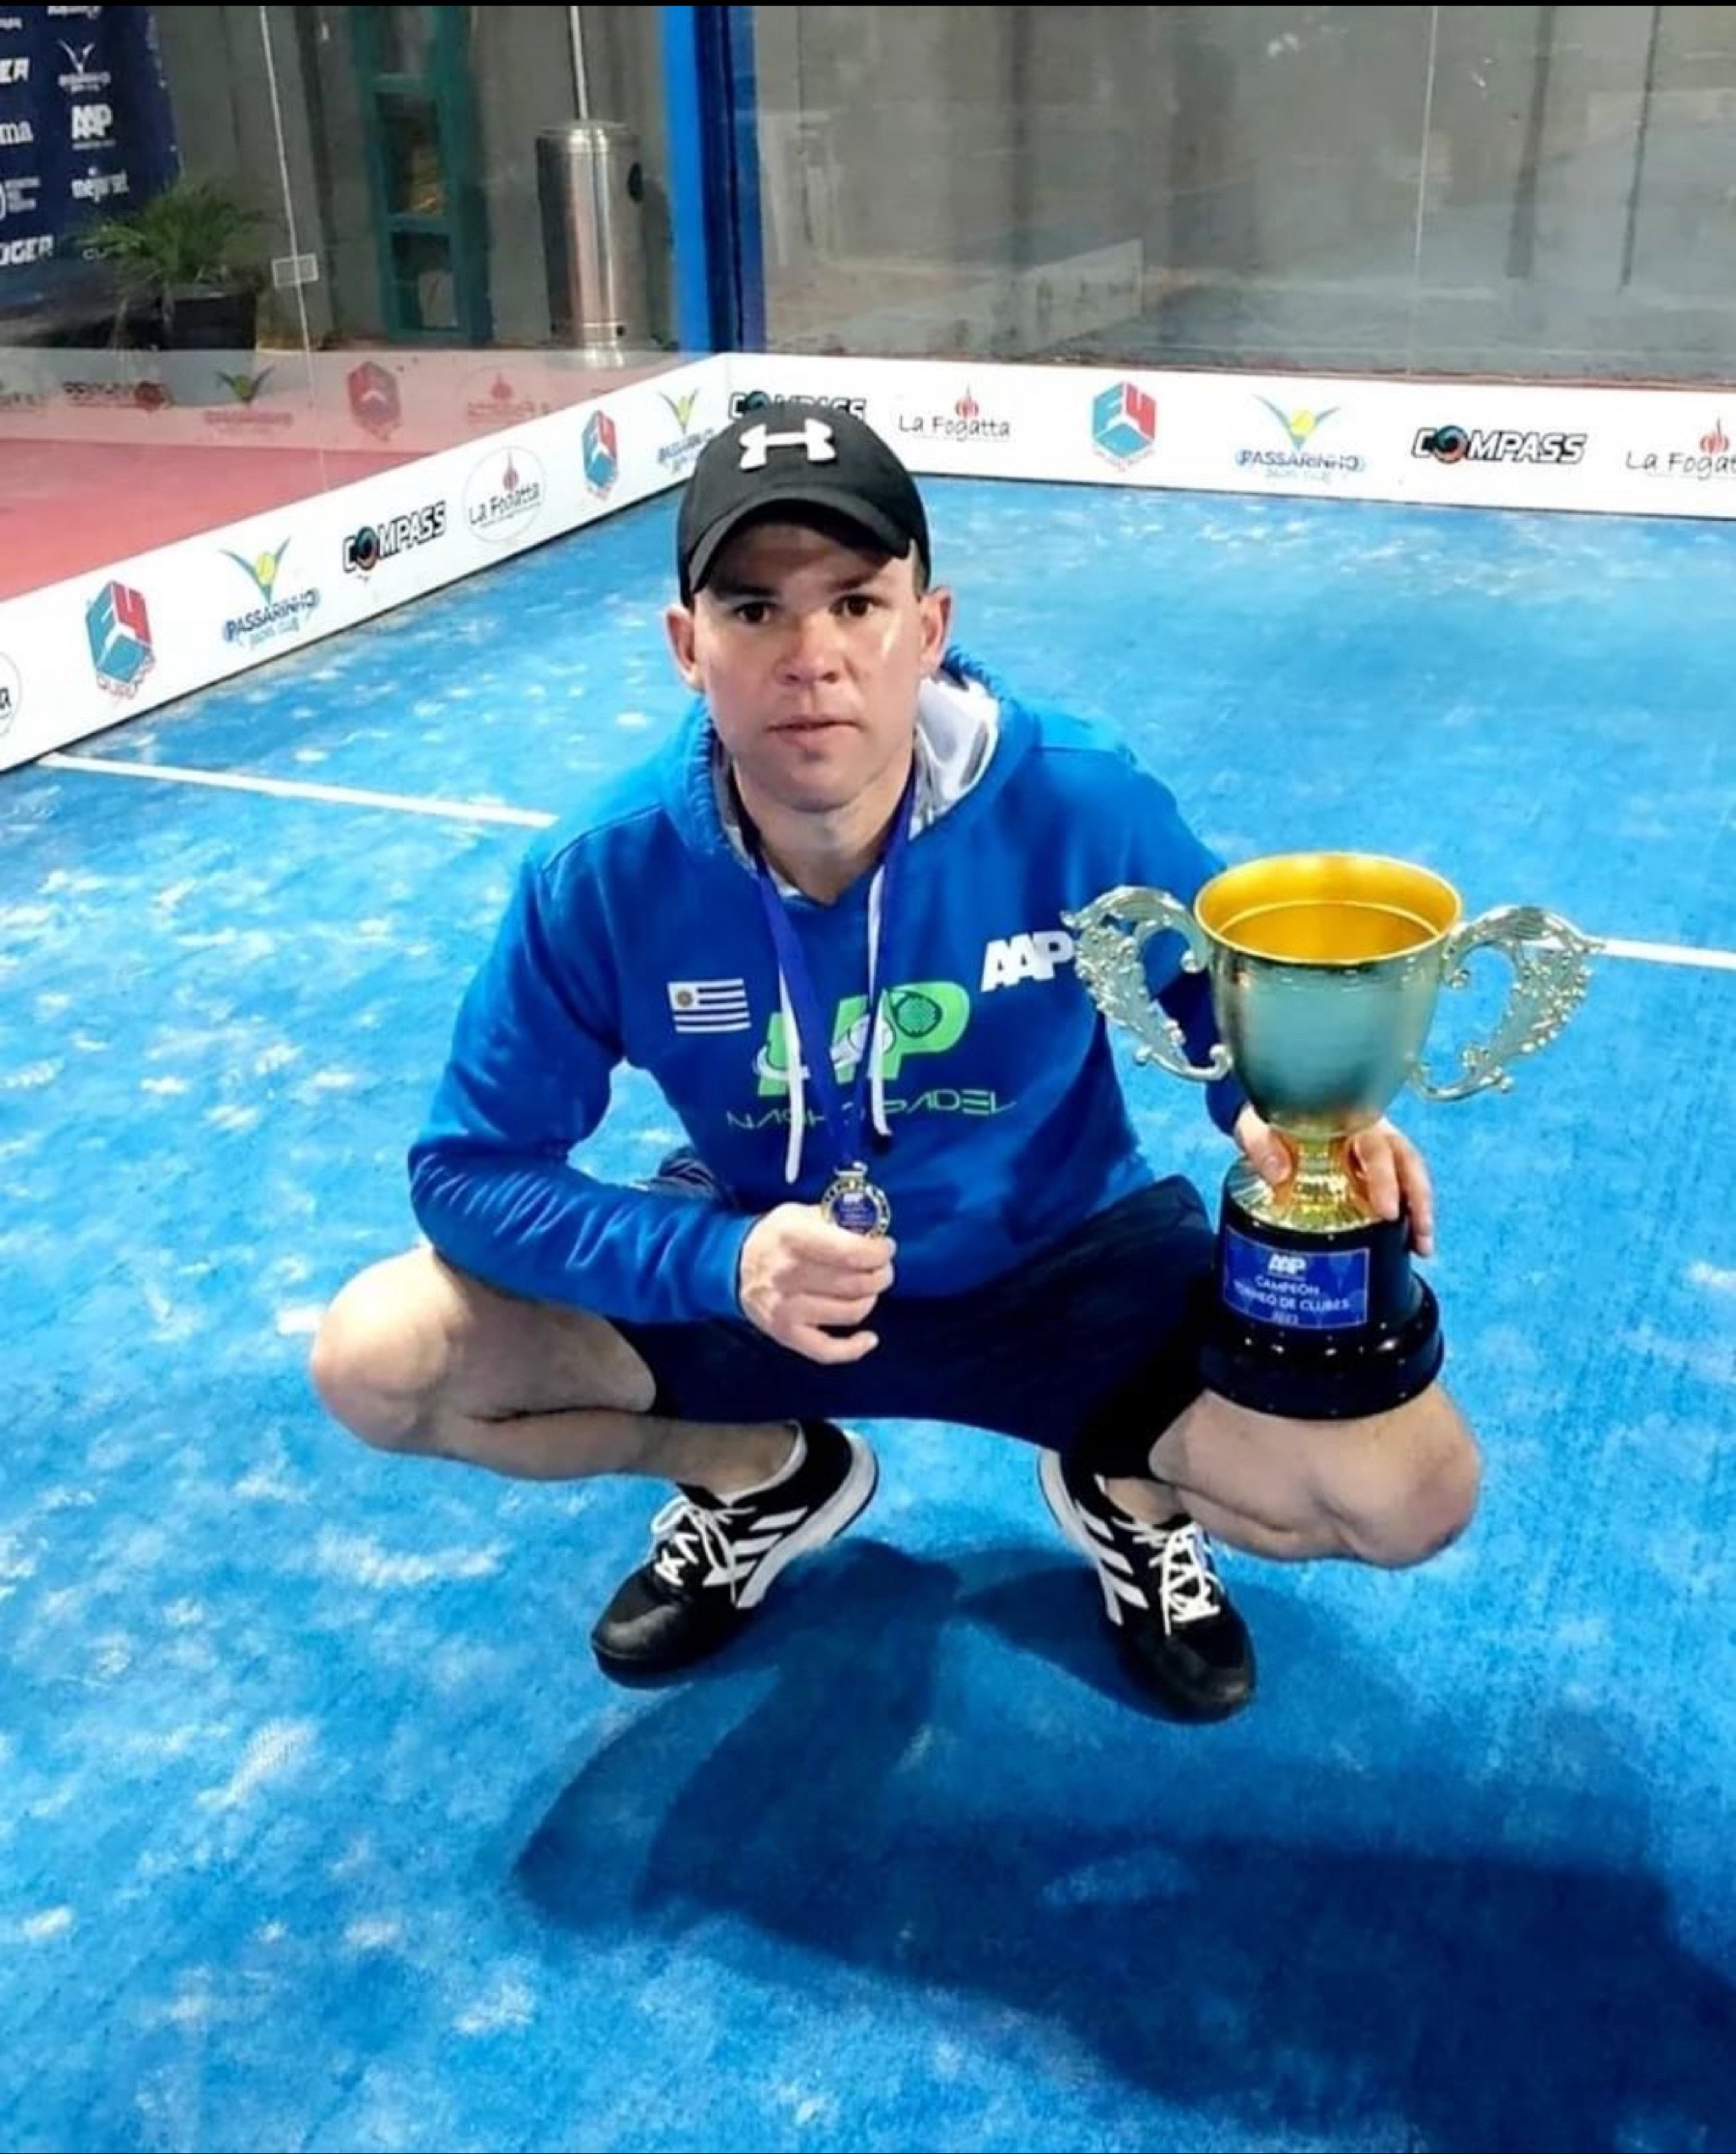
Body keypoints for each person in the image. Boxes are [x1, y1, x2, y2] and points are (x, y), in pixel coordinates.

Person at [309, 399, 1480, 1726]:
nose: (810, 656)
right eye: (755, 609)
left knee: (1406, 1496)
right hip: (761, 1274)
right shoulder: (604, 872)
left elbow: (1218, 997)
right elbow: (468, 1172)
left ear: (927, 628)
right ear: (688, 647)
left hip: (1059, 1265)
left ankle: (1127, 1486)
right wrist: (717, 1262)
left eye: (855, 603)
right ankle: (760, 1474)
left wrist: (1284, 1113)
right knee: (380, 1359)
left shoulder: (1078, 799)